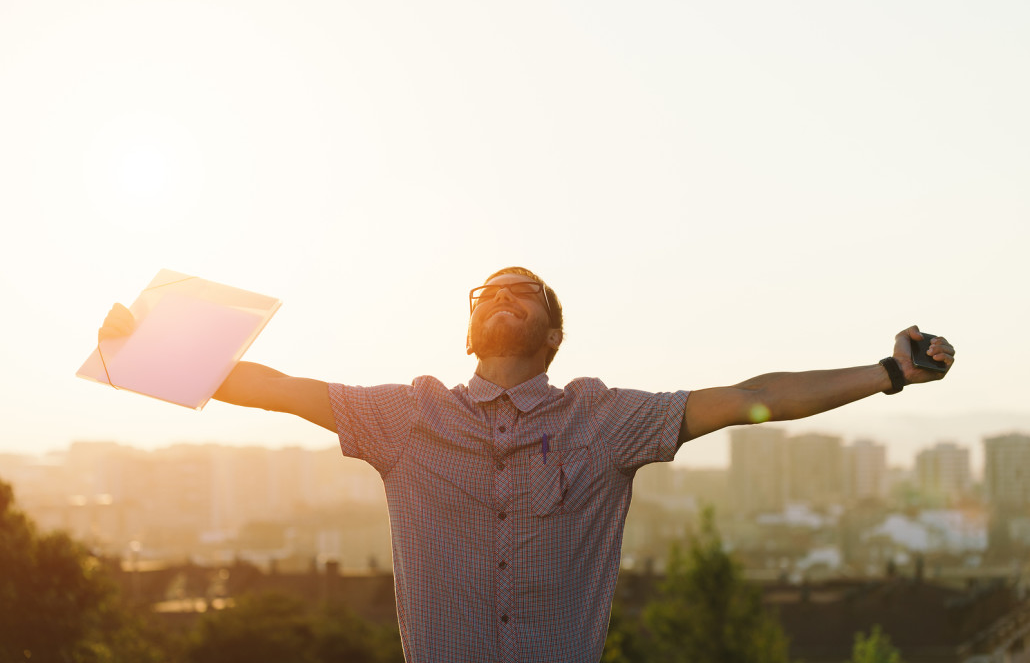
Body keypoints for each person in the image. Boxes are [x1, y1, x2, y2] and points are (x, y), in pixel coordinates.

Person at [99, 266, 955, 663]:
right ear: (470, 329)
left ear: (553, 335)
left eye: (527, 293)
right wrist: (145, 348)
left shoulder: (606, 420)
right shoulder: (405, 416)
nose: (506, 295)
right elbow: (275, 389)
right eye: (490, 292)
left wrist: (888, 373)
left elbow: (748, 397)